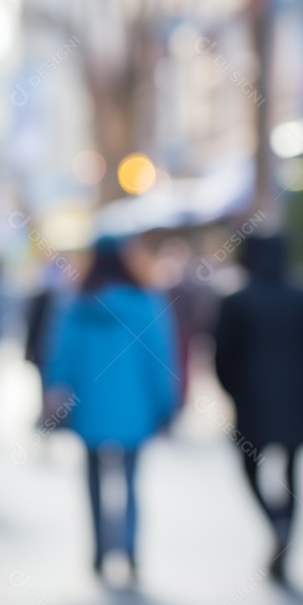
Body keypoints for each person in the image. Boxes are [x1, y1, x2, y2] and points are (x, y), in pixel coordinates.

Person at [45, 236, 178, 581]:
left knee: (92, 478)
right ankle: (130, 550)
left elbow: (62, 356)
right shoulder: (146, 303)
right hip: (136, 408)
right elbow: (160, 359)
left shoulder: (78, 304)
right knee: (132, 481)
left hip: (89, 406)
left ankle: (100, 550)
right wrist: (167, 405)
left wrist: (55, 393)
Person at [213, 234, 303, 584]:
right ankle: (283, 526)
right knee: (290, 469)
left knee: (249, 464)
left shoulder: (239, 300)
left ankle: (277, 523)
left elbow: (222, 357)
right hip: (297, 398)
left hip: (252, 398)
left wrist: (235, 392)